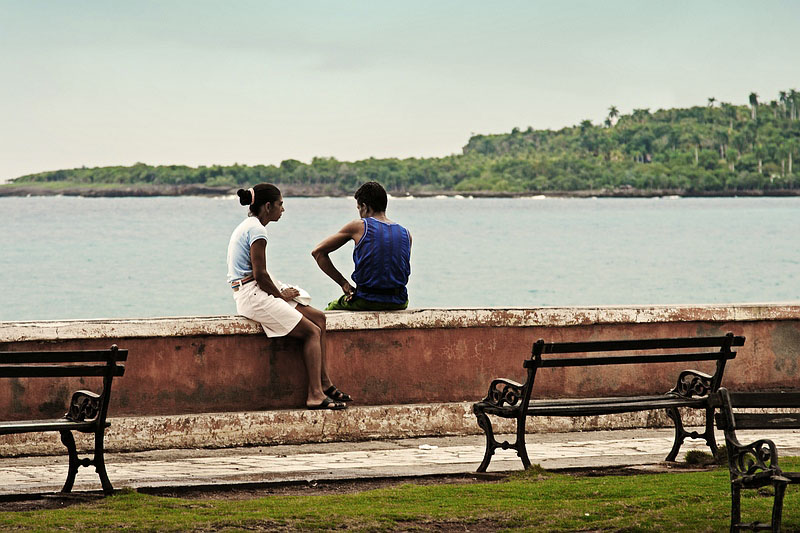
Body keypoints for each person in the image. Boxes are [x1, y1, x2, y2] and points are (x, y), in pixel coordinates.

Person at [227, 184, 351, 410]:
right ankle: (314, 395)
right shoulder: (257, 231)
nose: (283, 209)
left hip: (257, 289)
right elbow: (260, 275)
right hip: (252, 295)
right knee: (311, 332)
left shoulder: (250, 225)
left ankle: (324, 383)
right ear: (267, 206)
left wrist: (280, 294)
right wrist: (281, 296)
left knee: (319, 319)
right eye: (280, 204)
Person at [312, 181, 411, 311]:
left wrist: (344, 284)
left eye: (359, 208)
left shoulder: (360, 226)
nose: (359, 212)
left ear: (365, 207)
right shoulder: (405, 233)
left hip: (367, 300)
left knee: (329, 310)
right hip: (399, 302)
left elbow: (318, 252)